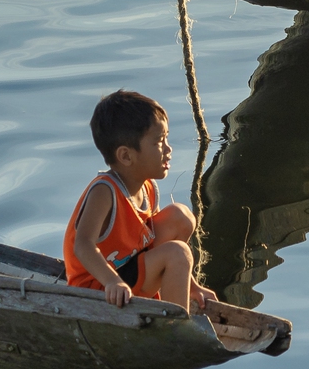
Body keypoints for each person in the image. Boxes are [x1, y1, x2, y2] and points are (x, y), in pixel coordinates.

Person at [63, 90, 207, 310]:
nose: (169, 149)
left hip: (128, 271)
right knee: (178, 252)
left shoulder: (147, 187)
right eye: (159, 142)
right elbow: (82, 246)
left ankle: (174, 294)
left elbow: (151, 240)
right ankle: (174, 327)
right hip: (98, 286)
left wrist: (192, 285)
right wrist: (113, 281)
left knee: (181, 216)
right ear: (126, 156)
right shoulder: (104, 191)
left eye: (166, 139)